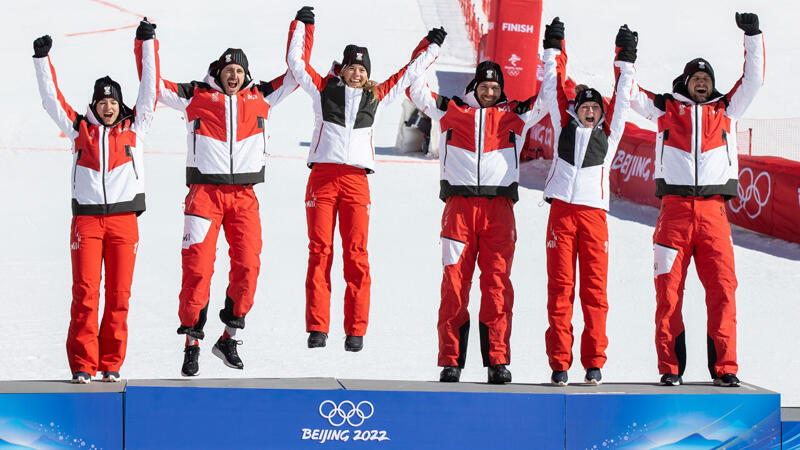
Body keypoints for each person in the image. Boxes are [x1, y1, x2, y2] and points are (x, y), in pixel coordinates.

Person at [287, 7, 442, 352]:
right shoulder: (323, 91)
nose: (356, 73)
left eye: (361, 68)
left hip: (357, 181)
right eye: (351, 67)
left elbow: (408, 72)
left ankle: (355, 329)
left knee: (356, 254)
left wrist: (430, 46)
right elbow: (296, 62)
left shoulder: (377, 95)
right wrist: (303, 25)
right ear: (341, 69)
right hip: (323, 179)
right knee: (320, 251)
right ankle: (318, 326)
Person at [630, 12, 764, 387]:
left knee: (723, 290)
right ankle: (670, 369)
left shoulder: (727, 109)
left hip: (714, 213)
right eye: (696, 79)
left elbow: (753, 80)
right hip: (672, 213)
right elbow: (628, 94)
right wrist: (624, 57)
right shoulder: (665, 108)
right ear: (685, 83)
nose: (702, 84)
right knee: (668, 293)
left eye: (706, 80)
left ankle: (726, 368)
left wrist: (752, 36)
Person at [156, 29, 298, 377]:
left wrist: (301, 26)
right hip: (203, 195)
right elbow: (153, 85)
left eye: (238, 71)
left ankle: (228, 337)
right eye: (227, 70)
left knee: (248, 266)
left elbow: (297, 73)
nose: (232, 75)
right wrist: (147, 43)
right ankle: (192, 344)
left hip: (245, 196)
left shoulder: (262, 96)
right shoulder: (195, 96)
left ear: (245, 75)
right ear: (218, 72)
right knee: (198, 269)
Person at [408, 53, 551, 383]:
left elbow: (548, 100)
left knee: (497, 286)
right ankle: (451, 360)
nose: (489, 92)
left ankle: (498, 360)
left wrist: (553, 52)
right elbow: (414, 89)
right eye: (484, 86)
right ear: (475, 85)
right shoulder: (452, 109)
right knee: (454, 286)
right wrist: (428, 50)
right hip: (458, 210)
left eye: (494, 87)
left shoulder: (515, 114)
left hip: (499, 211)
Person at [33, 19, 160, 383]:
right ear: (94, 105)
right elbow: (50, 100)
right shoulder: (79, 128)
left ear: (120, 104)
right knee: (86, 294)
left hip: (124, 223)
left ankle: (111, 364)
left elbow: (149, 89)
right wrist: (42, 60)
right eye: (102, 101)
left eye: (113, 101)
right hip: (87, 223)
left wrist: (147, 42)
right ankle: (82, 366)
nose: (108, 106)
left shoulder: (136, 127)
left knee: (119, 296)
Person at [539, 18, 637, 386]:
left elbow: (624, 97)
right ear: (575, 109)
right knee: (560, 291)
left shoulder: (609, 137)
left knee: (595, 293)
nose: (591, 111)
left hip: (595, 217)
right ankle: (560, 364)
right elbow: (551, 84)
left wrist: (625, 57)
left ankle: (594, 362)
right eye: (585, 106)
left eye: (596, 107)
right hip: (561, 214)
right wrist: (553, 46)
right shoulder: (562, 126)